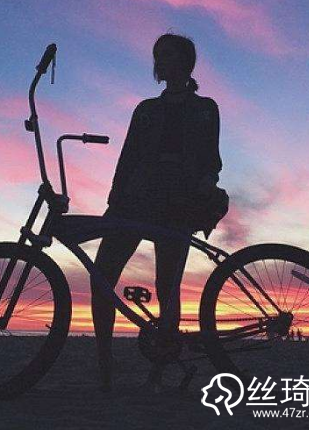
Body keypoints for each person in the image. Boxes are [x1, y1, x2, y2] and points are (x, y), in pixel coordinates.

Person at [90, 33, 222, 391]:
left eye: (166, 55)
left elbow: (212, 160)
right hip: (134, 200)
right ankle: (104, 361)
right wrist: (114, 199)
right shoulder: (145, 109)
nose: (159, 61)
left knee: (168, 285)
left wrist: (207, 184)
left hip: (179, 202)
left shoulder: (206, 108)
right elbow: (127, 158)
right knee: (101, 277)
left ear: (185, 62)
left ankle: (160, 366)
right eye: (156, 55)